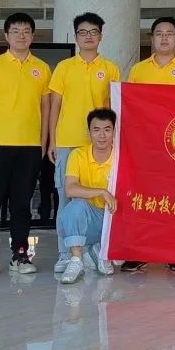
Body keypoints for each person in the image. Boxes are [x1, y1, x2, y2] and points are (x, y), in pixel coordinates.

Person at [0, 12, 51, 279]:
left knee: (21, 205)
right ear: (6, 35)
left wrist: (42, 143)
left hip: (29, 148)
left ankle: (20, 253)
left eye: (26, 31)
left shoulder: (42, 68)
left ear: (33, 36)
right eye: (15, 31)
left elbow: (45, 109)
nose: (21, 36)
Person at [122, 16, 175, 273]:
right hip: (146, 145)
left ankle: (174, 252)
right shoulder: (138, 70)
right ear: (152, 38)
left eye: (169, 33)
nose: (164, 38)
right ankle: (140, 252)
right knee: (144, 198)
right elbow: (130, 106)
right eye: (159, 33)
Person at [47, 12, 121, 275]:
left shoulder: (110, 68)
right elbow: (54, 105)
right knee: (65, 200)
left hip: (101, 144)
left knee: (105, 199)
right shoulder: (64, 67)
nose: (88, 36)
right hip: (68, 141)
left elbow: (115, 108)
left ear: (100, 36)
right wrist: (52, 140)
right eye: (83, 32)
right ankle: (65, 254)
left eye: (93, 32)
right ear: (76, 36)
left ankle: (98, 248)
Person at [57, 108, 118, 284]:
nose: (102, 135)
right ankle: (76, 259)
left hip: (114, 218)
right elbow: (70, 189)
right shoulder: (78, 155)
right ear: (88, 132)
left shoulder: (120, 156)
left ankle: (102, 251)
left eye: (107, 129)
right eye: (96, 130)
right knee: (74, 207)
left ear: (114, 131)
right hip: (91, 218)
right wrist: (101, 192)